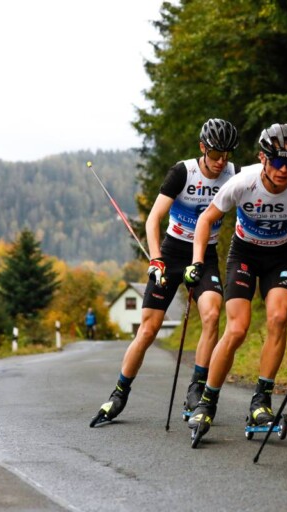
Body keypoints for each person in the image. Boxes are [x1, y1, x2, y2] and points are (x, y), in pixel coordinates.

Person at [185, 123, 287, 436]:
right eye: (278, 161)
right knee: (237, 328)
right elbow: (206, 219)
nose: (284, 169)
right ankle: (207, 401)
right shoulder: (244, 182)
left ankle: (261, 401)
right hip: (244, 254)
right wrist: (198, 261)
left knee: (278, 319)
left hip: (281, 255)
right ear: (263, 158)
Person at [91, 118, 240, 424]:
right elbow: (153, 219)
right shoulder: (183, 171)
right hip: (172, 252)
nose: (220, 162)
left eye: (225, 155)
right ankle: (119, 394)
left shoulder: (233, 174)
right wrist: (156, 259)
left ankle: (196, 390)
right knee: (148, 329)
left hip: (205, 253)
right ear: (203, 148)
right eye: (214, 154)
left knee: (212, 315)